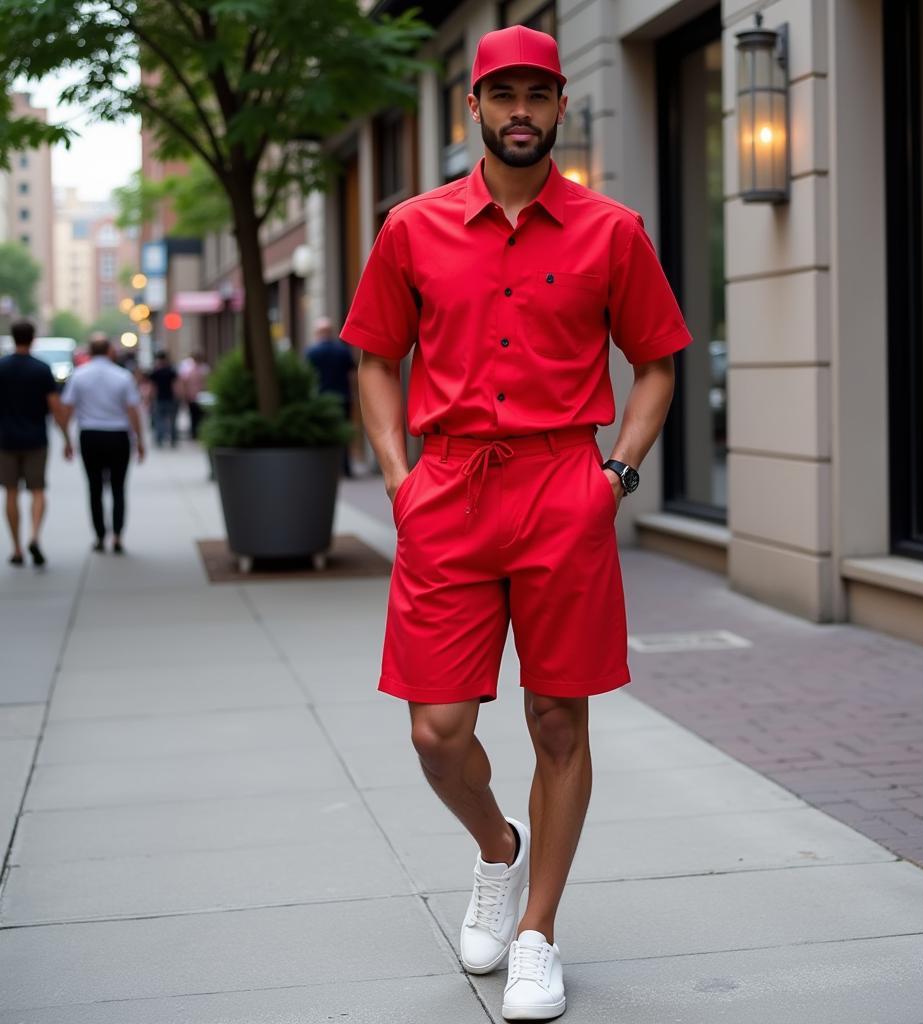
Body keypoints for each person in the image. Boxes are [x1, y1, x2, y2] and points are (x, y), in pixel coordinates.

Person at [342, 26, 691, 1022]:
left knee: (556, 719)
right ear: (475, 108)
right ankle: (498, 847)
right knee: (436, 730)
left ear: (561, 106)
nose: (521, 111)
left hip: (560, 488)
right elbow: (374, 355)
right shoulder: (409, 227)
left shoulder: (612, 231)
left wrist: (615, 471)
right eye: (503, 95)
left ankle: (537, 932)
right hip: (446, 489)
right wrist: (401, 479)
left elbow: (658, 360)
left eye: (538, 93)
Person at [61, 333, 145, 554]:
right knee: (118, 487)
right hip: (117, 436)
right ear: (110, 351)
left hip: (90, 435)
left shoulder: (79, 376)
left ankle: (99, 536)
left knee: (94, 488)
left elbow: (66, 410)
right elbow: (132, 411)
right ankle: (117, 535)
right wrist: (139, 440)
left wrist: (66, 439)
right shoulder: (123, 376)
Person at [0, 320, 74, 566]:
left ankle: (17, 548)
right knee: (38, 491)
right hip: (35, 439)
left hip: (5, 440)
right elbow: (56, 408)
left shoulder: (2, 367)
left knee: (11, 492)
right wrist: (66, 438)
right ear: (33, 339)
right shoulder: (41, 369)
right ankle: (34, 536)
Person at [305, 316, 356, 475]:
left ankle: (326, 469)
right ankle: (345, 468)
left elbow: (307, 376)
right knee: (344, 433)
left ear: (318, 333)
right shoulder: (343, 351)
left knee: (325, 433)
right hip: (343, 397)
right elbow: (353, 374)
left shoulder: (312, 352)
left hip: (322, 399)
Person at [147, 350, 180, 448]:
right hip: (171, 398)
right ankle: (173, 439)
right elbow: (176, 385)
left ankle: (160, 439)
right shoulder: (171, 371)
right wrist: (178, 396)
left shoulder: (155, 371)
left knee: (159, 420)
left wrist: (149, 398)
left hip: (160, 399)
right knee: (172, 420)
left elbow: (152, 387)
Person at [177, 350, 210, 440]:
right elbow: (183, 382)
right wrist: (184, 394)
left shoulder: (204, 368)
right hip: (192, 396)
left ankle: (199, 433)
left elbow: (207, 381)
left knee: (200, 415)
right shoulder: (188, 367)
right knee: (194, 415)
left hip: (201, 396)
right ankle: (194, 433)